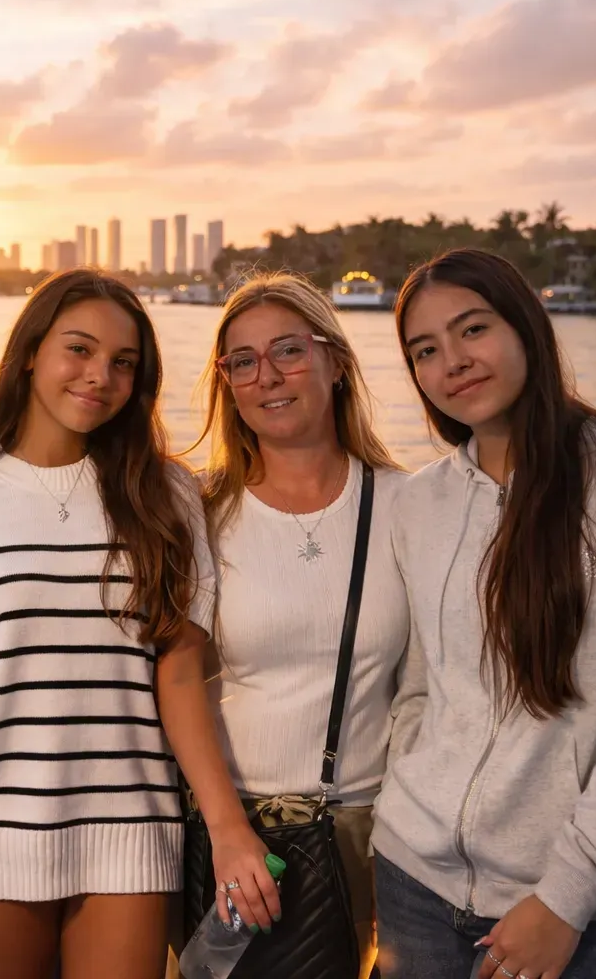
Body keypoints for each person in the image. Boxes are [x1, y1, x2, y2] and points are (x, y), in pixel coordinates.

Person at [0, 268, 279, 979]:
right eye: (79, 349)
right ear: (32, 352)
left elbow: (181, 675)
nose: (100, 375)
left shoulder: (164, 493)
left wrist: (228, 826)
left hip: (131, 832)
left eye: (123, 362)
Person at [372, 248, 596, 979]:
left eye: (473, 330)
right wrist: (409, 802)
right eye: (426, 351)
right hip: (414, 882)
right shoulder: (419, 503)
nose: (453, 362)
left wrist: (568, 895)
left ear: (526, 329)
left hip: (571, 908)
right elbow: (419, 685)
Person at [194, 272, 410, 978]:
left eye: (289, 350)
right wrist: (227, 833)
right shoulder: (203, 513)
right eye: (243, 361)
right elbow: (179, 680)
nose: (267, 376)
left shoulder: (411, 506)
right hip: (232, 838)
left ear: (336, 361)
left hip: (370, 838)